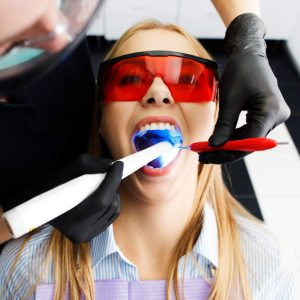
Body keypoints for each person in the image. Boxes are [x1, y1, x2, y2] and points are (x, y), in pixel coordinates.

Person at [0, 20, 297, 300]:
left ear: (216, 115)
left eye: (186, 79)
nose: (158, 92)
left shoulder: (269, 268)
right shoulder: (24, 268)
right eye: (129, 79)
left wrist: (248, 35)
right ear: (101, 119)